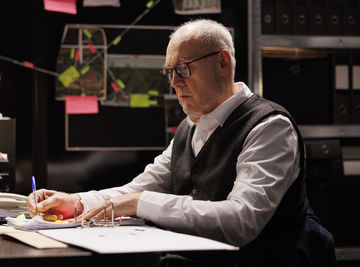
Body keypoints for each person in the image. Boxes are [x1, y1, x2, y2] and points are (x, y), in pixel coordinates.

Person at [27, 19, 335, 266]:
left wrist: (139, 204)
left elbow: (241, 221)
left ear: (223, 62)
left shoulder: (270, 127)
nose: (175, 83)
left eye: (183, 69)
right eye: (170, 72)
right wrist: (77, 202)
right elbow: (139, 187)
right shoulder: (192, 125)